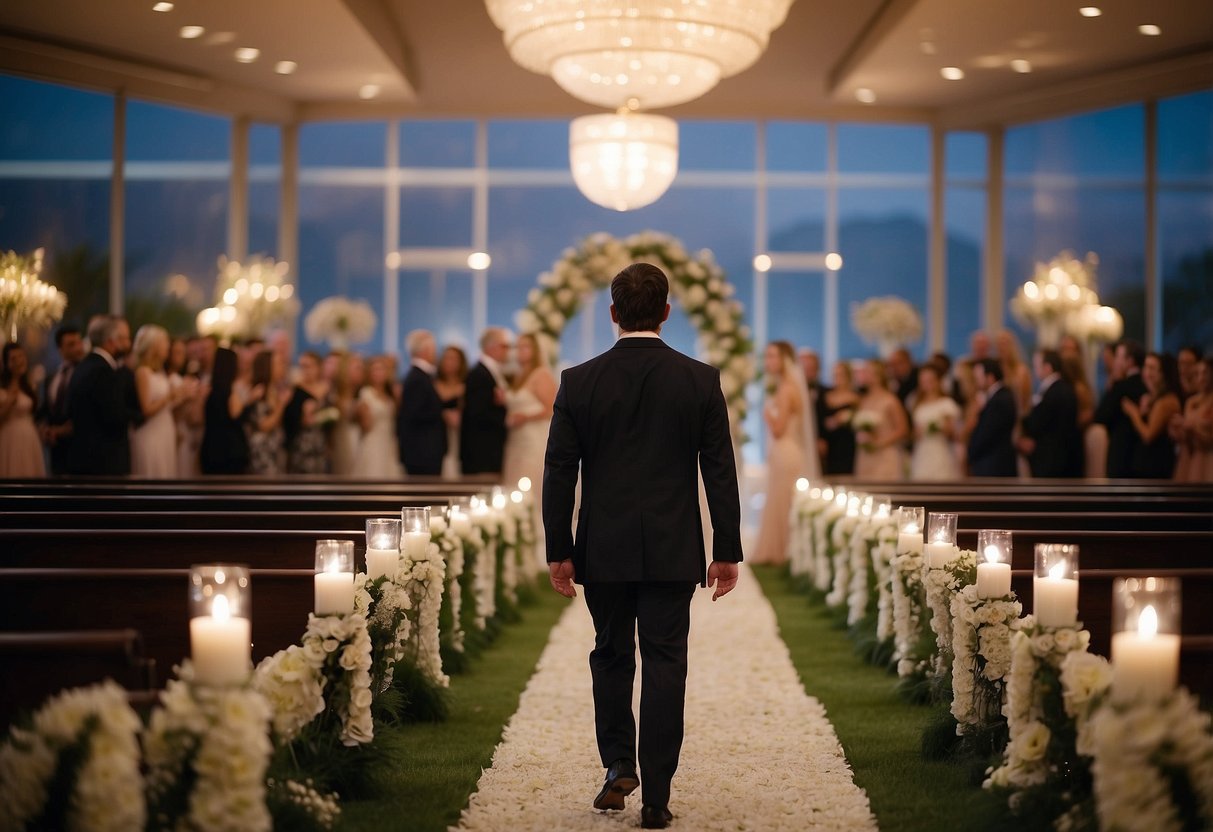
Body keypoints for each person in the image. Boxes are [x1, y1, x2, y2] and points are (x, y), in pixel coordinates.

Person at [543, 262, 741, 830]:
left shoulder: (579, 381)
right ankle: (656, 794)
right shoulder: (699, 379)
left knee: (610, 654)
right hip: (672, 546)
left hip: (601, 547)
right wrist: (725, 548)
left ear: (612, 314)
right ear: (666, 313)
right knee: (665, 663)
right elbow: (719, 472)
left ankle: (616, 767)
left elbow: (559, 472)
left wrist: (559, 548)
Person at [753, 341, 819, 565]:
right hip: (787, 451)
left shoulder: (786, 389)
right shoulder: (788, 386)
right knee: (781, 501)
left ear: (784, 360)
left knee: (782, 502)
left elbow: (779, 429)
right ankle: (782, 552)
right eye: (767, 356)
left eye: (772, 356)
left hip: (785, 450)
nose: (768, 361)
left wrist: (766, 414)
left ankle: (780, 553)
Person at [66, 314, 134, 475]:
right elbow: (114, 416)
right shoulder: (104, 371)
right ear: (110, 341)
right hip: (105, 460)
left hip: (83, 456)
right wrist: (137, 415)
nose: (124, 344)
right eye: (121, 339)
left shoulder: (83, 366)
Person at [1018, 349, 1082, 478]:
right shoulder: (1064, 388)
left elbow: (1038, 423)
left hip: (1052, 462)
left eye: (1036, 364)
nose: (1034, 369)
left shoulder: (1054, 392)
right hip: (1062, 459)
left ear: (1047, 367)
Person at [129, 324, 183, 478]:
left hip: (164, 429)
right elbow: (146, 409)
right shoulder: (143, 372)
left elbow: (166, 405)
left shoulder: (159, 372)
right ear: (153, 345)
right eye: (165, 341)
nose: (168, 346)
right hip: (151, 433)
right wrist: (170, 396)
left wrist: (183, 395)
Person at [1094, 339, 1148, 478]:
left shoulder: (1121, 387)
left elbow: (1100, 416)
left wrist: (1112, 385)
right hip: (1142, 459)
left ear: (1129, 361)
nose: (1115, 362)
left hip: (1121, 456)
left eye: (1118, 357)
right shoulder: (1146, 386)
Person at [36, 324, 85, 475]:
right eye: (71, 344)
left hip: (79, 449)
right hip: (56, 450)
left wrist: (64, 430)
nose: (77, 348)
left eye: (79, 342)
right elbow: (46, 409)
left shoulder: (86, 374)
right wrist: (44, 429)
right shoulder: (52, 377)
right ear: (60, 349)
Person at [1123, 351, 1181, 479]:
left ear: (1163, 373)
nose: (1147, 373)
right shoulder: (1153, 398)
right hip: (1145, 465)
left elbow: (1148, 435)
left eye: (1152, 368)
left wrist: (1134, 413)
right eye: (1146, 367)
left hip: (1155, 467)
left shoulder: (1166, 400)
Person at [397, 329, 447, 476]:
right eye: (433, 349)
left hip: (424, 452)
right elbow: (415, 413)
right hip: (422, 452)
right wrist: (442, 412)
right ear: (425, 351)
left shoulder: (420, 376)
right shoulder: (417, 379)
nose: (435, 353)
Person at [461, 327, 510, 476]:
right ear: (491, 347)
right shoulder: (478, 374)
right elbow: (478, 412)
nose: (508, 350)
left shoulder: (491, 371)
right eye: (505, 346)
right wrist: (506, 420)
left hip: (490, 447)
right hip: (482, 449)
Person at [853, 359, 908, 480]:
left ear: (877, 376)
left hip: (884, 454)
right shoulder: (863, 400)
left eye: (867, 371)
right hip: (865, 455)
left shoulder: (890, 400)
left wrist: (878, 443)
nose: (863, 375)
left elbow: (902, 429)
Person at [353, 356, 404, 479]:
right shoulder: (366, 393)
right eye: (375, 370)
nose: (378, 373)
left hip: (389, 441)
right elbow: (365, 425)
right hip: (373, 441)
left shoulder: (390, 394)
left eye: (382, 369)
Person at [0, 342, 46, 477]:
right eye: (13, 358)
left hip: (29, 436)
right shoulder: (3, 388)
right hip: (9, 436)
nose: (19, 361)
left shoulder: (29, 385)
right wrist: (9, 402)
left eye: (21, 356)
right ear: (6, 363)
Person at [200, 347, 249, 475]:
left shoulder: (210, 391)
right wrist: (249, 401)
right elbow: (235, 414)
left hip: (210, 448)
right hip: (230, 451)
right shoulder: (230, 392)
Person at [909, 363, 961, 480]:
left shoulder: (946, 403)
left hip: (940, 449)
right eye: (923, 381)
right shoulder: (917, 403)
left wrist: (939, 427)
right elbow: (913, 433)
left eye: (930, 380)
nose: (927, 384)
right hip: (922, 451)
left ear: (938, 381)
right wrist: (916, 433)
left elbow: (953, 433)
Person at [967, 358, 1018, 477]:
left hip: (994, 465)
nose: (977, 382)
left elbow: (987, 435)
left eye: (978, 377)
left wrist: (970, 453)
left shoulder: (1000, 400)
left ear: (990, 377)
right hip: (992, 463)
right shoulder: (999, 397)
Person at [284, 351, 332, 475]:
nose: (305, 370)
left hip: (322, 443)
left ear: (318, 367)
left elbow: (334, 416)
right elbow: (289, 421)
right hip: (302, 445)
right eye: (302, 366)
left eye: (308, 366)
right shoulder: (295, 391)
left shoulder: (327, 389)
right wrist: (304, 416)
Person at [243, 349, 289, 476]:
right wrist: (282, 405)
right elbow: (264, 425)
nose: (282, 367)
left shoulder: (275, 390)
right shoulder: (259, 392)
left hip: (275, 449)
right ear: (268, 366)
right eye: (279, 363)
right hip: (262, 452)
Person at [1172, 356, 1213, 482]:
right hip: (1189, 460)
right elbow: (1186, 438)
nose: (1201, 378)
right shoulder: (1191, 402)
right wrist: (1178, 431)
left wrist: (1190, 427)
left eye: (1205, 373)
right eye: (1197, 373)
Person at [329, 353, 364, 477]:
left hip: (359, 440)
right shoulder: (336, 393)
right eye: (356, 368)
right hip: (343, 439)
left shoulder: (363, 393)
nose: (360, 372)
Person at [821, 360, 859, 475]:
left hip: (847, 443)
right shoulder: (825, 395)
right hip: (829, 444)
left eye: (841, 374)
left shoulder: (855, 397)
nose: (837, 378)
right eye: (835, 375)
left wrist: (845, 419)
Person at [435, 345, 468, 478]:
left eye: (454, 359)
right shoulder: (433, 383)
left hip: (460, 435)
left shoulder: (466, 383)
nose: (450, 362)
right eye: (447, 358)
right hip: (441, 435)